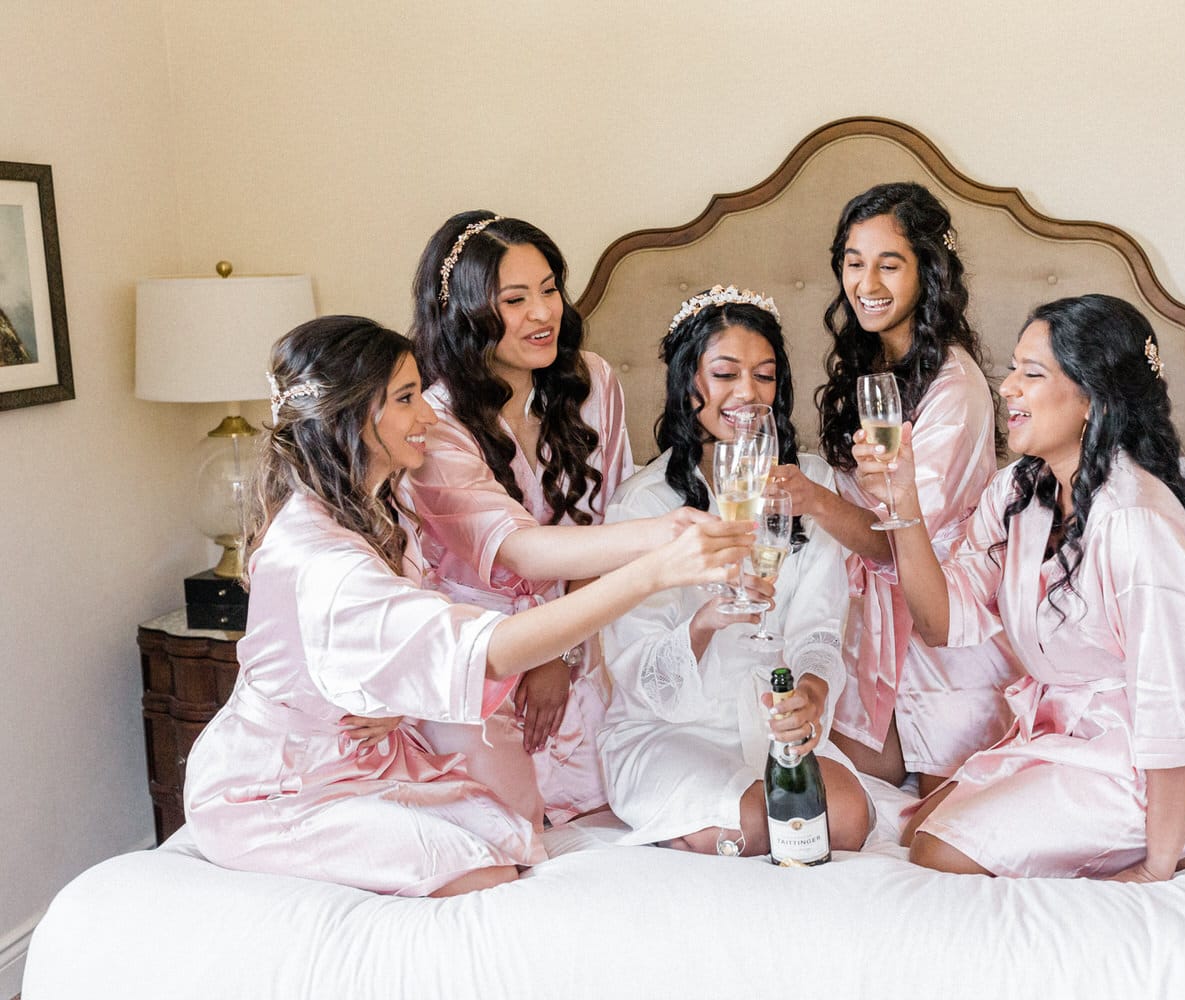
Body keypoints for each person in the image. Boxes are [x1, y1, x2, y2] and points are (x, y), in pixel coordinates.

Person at [183, 316, 751, 896]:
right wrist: (652, 572)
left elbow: (394, 644)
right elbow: (492, 648)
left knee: (506, 833)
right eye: (406, 399)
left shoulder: (378, 502)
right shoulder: (323, 558)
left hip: (366, 753)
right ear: (353, 416)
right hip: (277, 786)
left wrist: (661, 533)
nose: (428, 415)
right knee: (476, 865)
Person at [862, 294, 1185, 880]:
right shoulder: (1020, 491)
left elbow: (1173, 711)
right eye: (1012, 369)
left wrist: (1158, 868)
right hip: (1073, 731)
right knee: (925, 825)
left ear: (1091, 397)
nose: (1005, 389)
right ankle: (1184, 844)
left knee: (939, 853)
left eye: (1032, 373)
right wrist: (903, 504)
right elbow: (939, 623)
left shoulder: (1137, 524)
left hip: (1156, 758)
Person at [403, 212, 698, 828]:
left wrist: (562, 656)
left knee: (623, 800)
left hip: (582, 633)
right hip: (478, 658)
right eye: (515, 299)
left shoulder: (593, 382)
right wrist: (670, 536)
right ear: (465, 314)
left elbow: (603, 530)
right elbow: (522, 553)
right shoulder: (434, 425)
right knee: (499, 824)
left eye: (549, 289)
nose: (543, 313)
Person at [598, 286, 873, 857]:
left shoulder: (808, 482)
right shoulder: (643, 503)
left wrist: (811, 695)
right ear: (687, 382)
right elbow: (637, 670)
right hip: (672, 729)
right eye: (725, 374)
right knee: (768, 827)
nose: (748, 393)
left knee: (843, 819)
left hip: (772, 724)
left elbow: (821, 626)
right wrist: (705, 621)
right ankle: (691, 823)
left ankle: (711, 828)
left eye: (765, 376)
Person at [773, 182, 1016, 796]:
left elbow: (898, 543)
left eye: (890, 264)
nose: (867, 282)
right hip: (874, 624)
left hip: (944, 624)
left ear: (927, 274)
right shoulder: (874, 366)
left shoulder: (954, 389)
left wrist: (814, 498)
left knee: (948, 824)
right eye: (854, 263)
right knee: (803, 755)